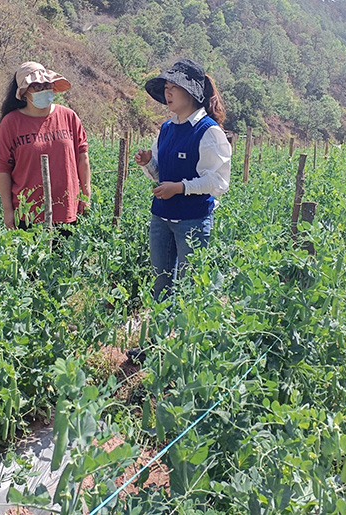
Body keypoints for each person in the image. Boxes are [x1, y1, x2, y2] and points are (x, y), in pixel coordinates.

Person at [127, 59, 231, 363]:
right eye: (167, 89)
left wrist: (181, 188)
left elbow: (218, 182)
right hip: (161, 217)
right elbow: (162, 176)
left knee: (189, 286)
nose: (168, 94)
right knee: (162, 282)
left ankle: (186, 354)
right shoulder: (167, 128)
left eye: (175, 89)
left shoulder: (209, 132)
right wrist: (148, 163)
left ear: (192, 93)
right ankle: (155, 347)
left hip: (193, 221)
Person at [0, 61, 91, 232]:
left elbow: (82, 157)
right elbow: (3, 169)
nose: (43, 90)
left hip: (67, 210)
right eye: (36, 87)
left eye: (46, 85)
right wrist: (8, 210)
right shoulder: (11, 123)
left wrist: (86, 194)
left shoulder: (68, 116)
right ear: (24, 93)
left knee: (66, 258)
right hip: (28, 214)